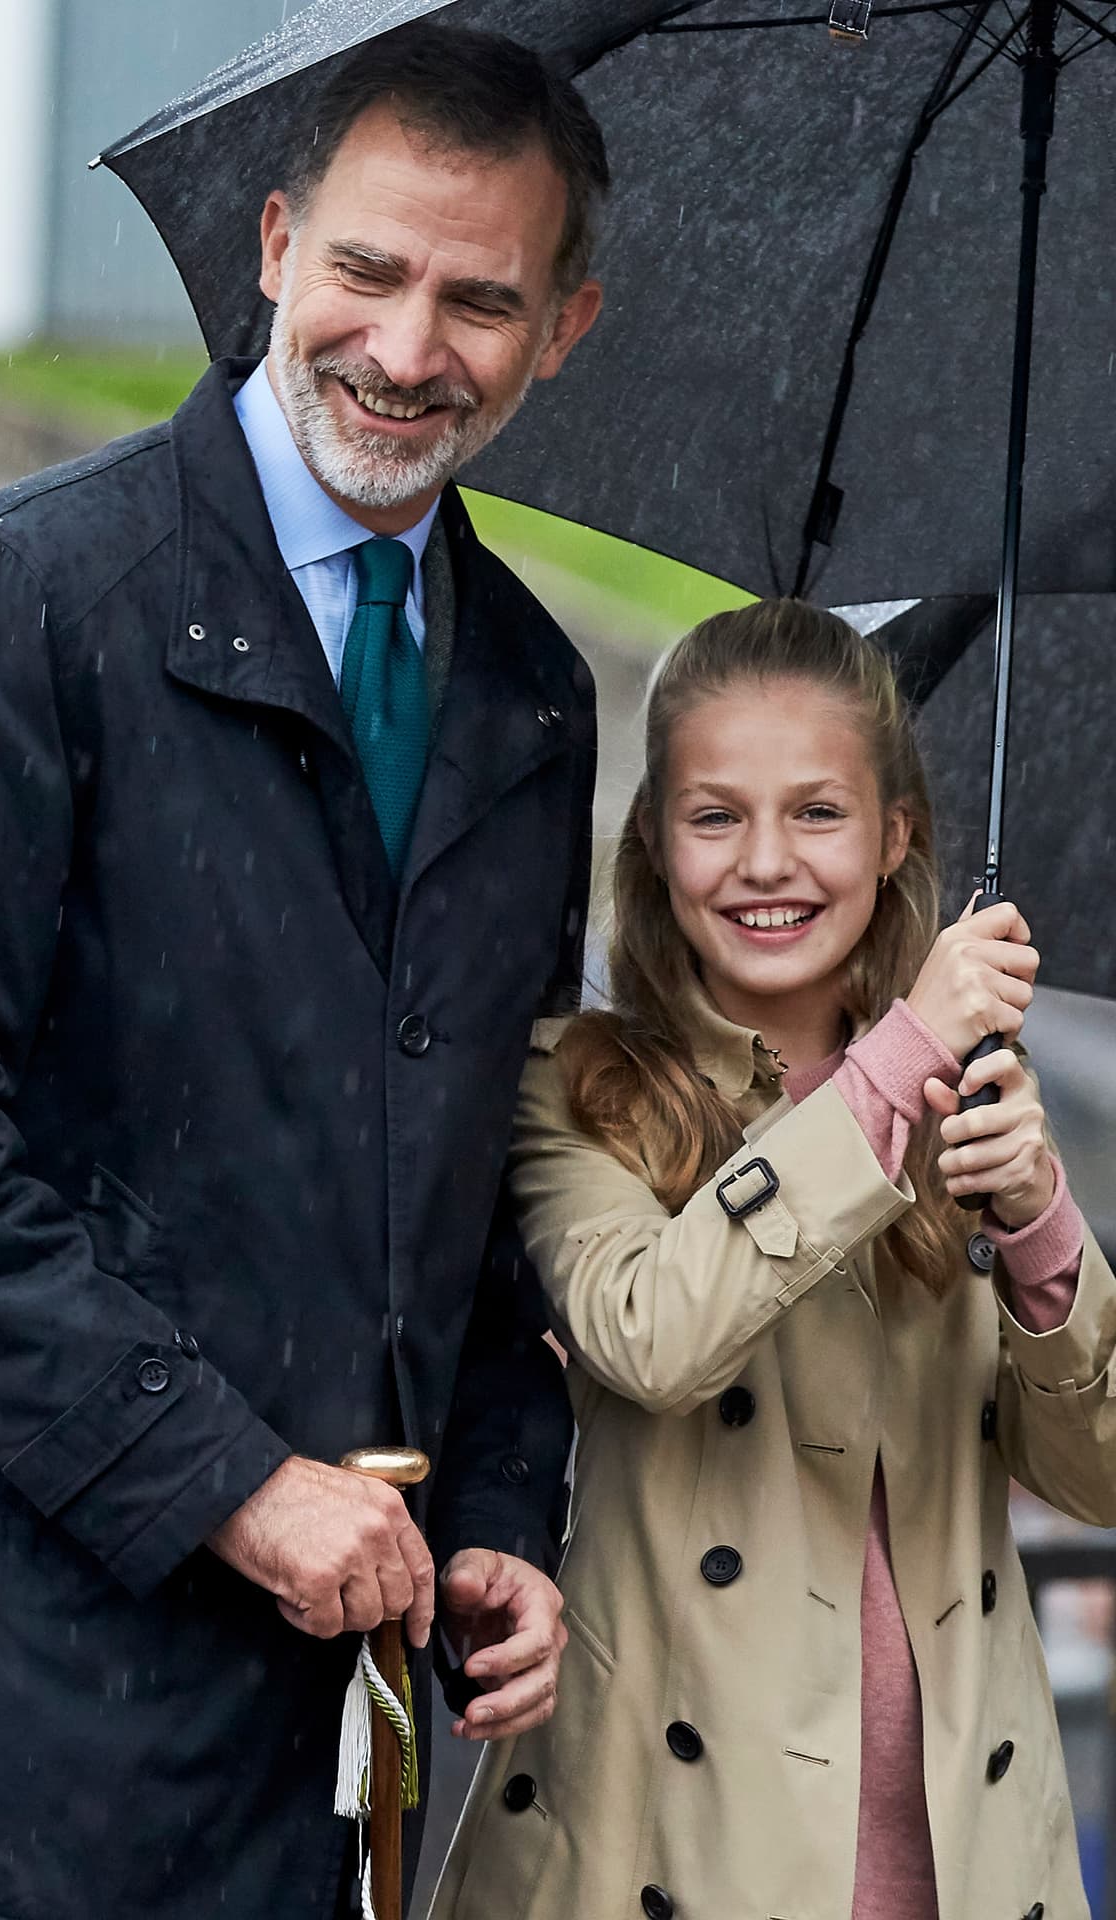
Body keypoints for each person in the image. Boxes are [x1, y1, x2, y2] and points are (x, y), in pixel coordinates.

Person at [0, 23, 607, 1920]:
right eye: (367, 269)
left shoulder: (533, 691)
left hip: (321, 1777)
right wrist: (230, 1486)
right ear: (273, 245)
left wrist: (505, 1523)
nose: (410, 349)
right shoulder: (21, 597)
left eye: (481, 300)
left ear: (566, 328)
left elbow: (484, 1192)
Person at [429, 599, 1115, 1920]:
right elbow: (654, 1336)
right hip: (670, 1846)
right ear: (653, 842)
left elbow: (1094, 1475)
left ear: (894, 834)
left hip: (958, 1848)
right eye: (714, 815)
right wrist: (904, 1052)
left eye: (817, 812)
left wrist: (1036, 1223)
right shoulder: (581, 1083)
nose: (765, 863)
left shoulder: (973, 1089)